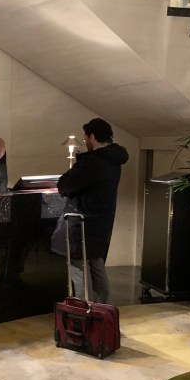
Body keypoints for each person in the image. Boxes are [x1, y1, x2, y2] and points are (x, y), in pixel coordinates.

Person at [50, 118, 129, 304]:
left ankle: (83, 308)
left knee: (78, 267)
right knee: (96, 264)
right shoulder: (114, 159)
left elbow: (64, 185)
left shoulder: (93, 161)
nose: (85, 141)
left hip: (82, 222)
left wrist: (77, 165)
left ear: (92, 137)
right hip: (101, 222)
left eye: (85, 137)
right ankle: (103, 308)